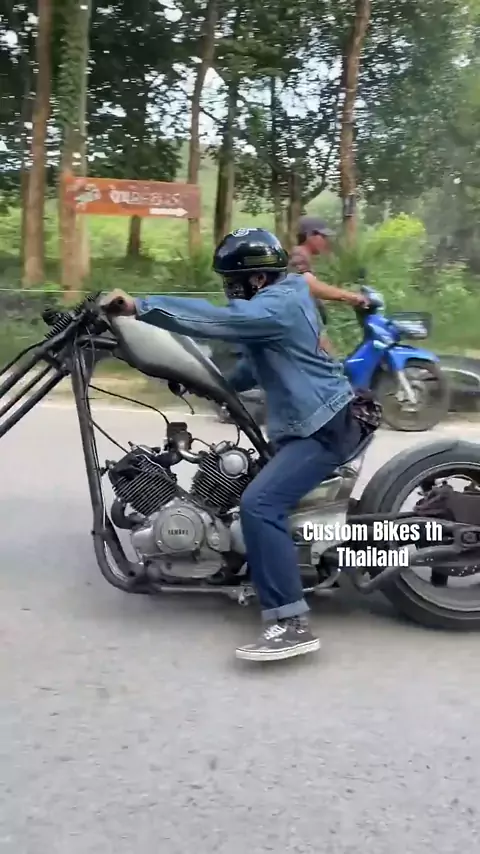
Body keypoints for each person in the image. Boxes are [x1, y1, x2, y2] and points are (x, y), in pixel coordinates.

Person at [100, 228, 367, 664]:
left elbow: (219, 321)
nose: (230, 290)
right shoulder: (285, 296)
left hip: (323, 427)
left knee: (260, 505)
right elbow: (254, 365)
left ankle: (290, 623)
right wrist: (208, 382)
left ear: (257, 279)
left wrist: (140, 307)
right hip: (315, 419)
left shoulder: (276, 306)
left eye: (234, 281)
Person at [288, 215, 368, 353]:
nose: (325, 241)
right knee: (327, 360)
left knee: (329, 358)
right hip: (300, 325)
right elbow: (309, 285)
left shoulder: (303, 257)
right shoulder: (298, 255)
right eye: (323, 236)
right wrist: (351, 296)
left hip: (308, 324)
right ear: (310, 236)